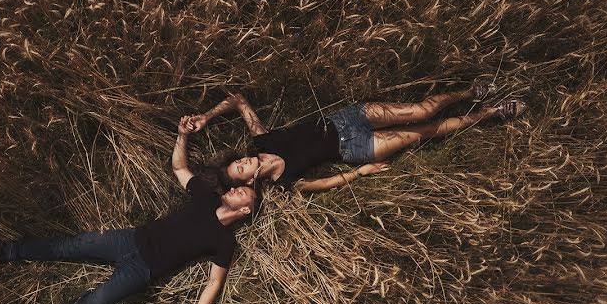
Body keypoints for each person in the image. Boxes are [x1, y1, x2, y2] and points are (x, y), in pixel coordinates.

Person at [0, 117, 258, 304]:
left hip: (143, 270)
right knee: (71, 245)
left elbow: (214, 282)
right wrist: (182, 136)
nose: (235, 190)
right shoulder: (206, 196)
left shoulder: (224, 241)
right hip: (129, 240)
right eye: (238, 188)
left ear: (244, 211)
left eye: (242, 193)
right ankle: (8, 251)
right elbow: (180, 169)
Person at [188, 84, 526, 193]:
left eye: (237, 161)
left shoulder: (262, 141)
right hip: (353, 149)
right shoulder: (284, 181)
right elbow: (326, 184)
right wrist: (361, 173)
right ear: (247, 182)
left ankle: (471, 90)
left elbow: (237, 99)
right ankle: (492, 112)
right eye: (240, 170)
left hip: (345, 120)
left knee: (421, 111)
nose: (243, 162)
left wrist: (206, 116)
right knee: (423, 133)